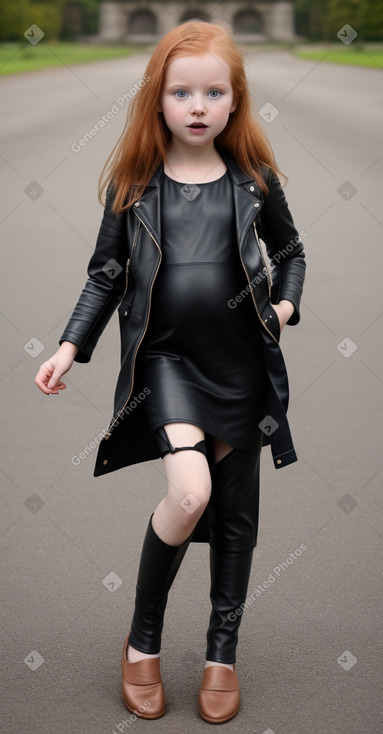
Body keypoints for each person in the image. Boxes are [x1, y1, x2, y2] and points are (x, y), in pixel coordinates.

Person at [35, 20, 306, 725]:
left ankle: (222, 654)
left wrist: (281, 309)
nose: (196, 105)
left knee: (236, 518)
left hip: (240, 363)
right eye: (181, 91)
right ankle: (142, 642)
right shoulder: (132, 185)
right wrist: (70, 345)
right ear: (158, 99)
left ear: (233, 101)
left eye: (213, 92)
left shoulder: (253, 181)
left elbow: (293, 253)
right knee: (190, 495)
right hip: (166, 363)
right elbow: (106, 275)